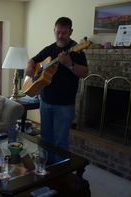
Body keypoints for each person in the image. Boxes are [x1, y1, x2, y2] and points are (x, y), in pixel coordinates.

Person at [25, 17, 88, 150]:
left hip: (64, 105)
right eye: (58, 32)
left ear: (71, 32)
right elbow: (33, 60)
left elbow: (84, 73)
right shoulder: (50, 49)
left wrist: (69, 64)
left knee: (60, 141)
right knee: (45, 138)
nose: (60, 36)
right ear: (54, 30)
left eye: (64, 33)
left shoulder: (77, 49)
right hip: (45, 101)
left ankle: (60, 170)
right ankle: (44, 167)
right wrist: (30, 67)